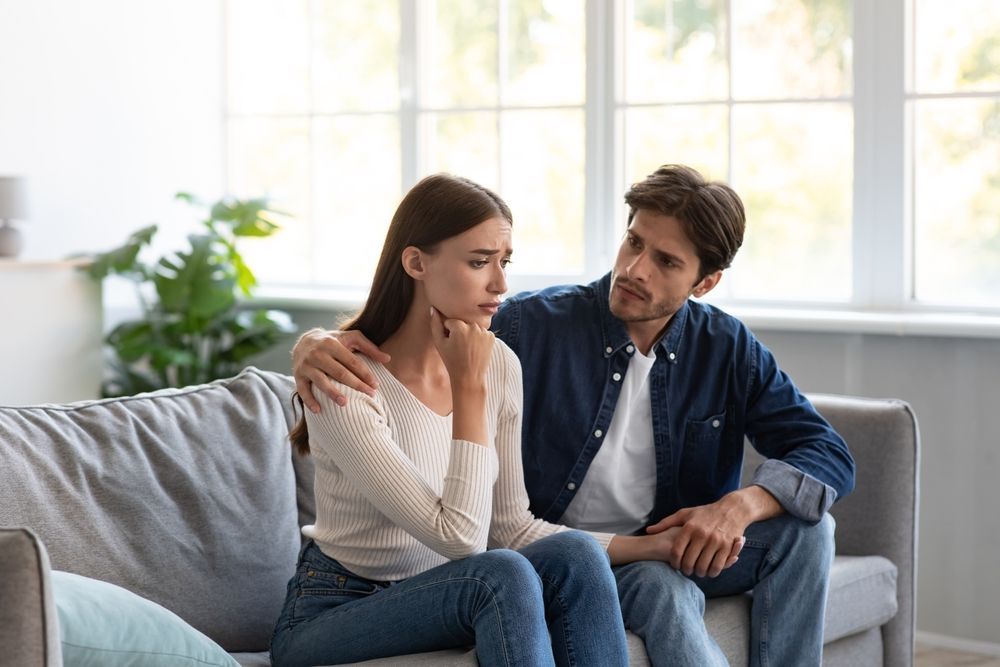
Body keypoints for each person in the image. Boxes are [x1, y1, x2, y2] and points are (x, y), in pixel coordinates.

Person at [292, 164, 856, 666]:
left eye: (665, 262)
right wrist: (312, 344)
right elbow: (417, 327)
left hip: (659, 543)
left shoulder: (725, 347)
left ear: (704, 283)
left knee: (809, 531)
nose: (635, 269)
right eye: (632, 242)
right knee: (626, 580)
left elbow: (828, 453)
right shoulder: (532, 326)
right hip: (547, 554)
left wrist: (739, 506)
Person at [269, 174, 634, 667]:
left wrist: (655, 546)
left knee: (577, 557)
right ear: (416, 262)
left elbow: (511, 527)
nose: (501, 284)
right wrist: (468, 386)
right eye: (479, 262)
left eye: (504, 263)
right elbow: (461, 539)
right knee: (499, 575)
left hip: (441, 592)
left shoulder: (501, 363)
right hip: (335, 609)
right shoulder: (345, 381)